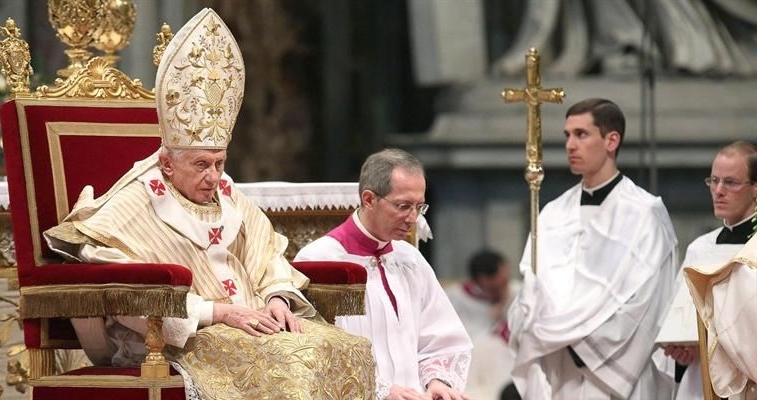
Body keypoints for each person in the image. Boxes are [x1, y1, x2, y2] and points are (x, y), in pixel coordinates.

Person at [42, 8, 374, 399]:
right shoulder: (131, 205)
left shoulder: (228, 196)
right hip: (180, 338)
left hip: (253, 322)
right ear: (167, 163)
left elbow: (266, 255)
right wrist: (217, 312)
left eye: (220, 163)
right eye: (201, 165)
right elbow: (119, 287)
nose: (214, 176)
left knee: (347, 348)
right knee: (293, 361)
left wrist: (277, 297)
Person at [507, 98, 679, 399]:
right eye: (567, 135)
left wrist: (577, 342)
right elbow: (532, 285)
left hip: (618, 376)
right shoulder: (552, 213)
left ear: (611, 140)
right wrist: (530, 316)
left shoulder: (644, 213)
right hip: (561, 373)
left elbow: (650, 302)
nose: (570, 145)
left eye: (581, 134)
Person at [294, 148, 473, 400]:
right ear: (369, 199)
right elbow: (314, 355)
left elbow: (441, 339)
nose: (413, 218)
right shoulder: (320, 262)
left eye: (419, 207)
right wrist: (380, 391)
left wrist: (437, 381)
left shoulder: (410, 260)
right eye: (403, 206)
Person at [657, 141, 757, 399]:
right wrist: (681, 353)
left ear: (755, 188)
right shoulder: (700, 248)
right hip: (698, 384)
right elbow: (678, 322)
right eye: (714, 181)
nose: (718, 191)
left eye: (730, 182)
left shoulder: (753, 252)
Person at [444, 249, 518, 399]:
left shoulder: (517, 292)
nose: (503, 288)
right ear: (479, 280)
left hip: (506, 356)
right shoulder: (455, 297)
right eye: (495, 287)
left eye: (505, 281)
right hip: (472, 358)